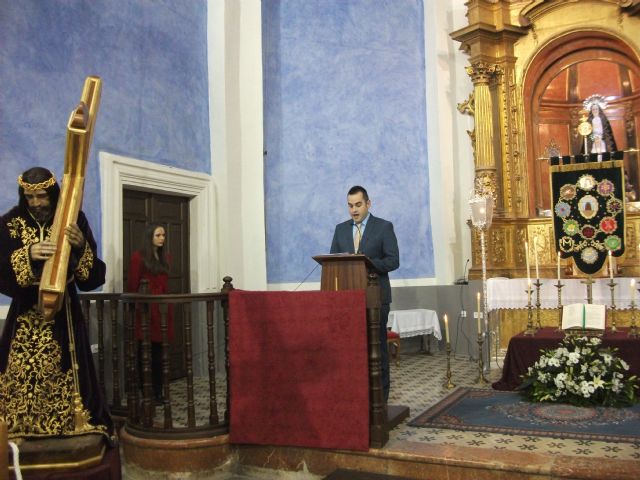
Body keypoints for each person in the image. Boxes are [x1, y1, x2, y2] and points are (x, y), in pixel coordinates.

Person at [0, 167, 114, 443]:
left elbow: (94, 277)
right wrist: (27, 254)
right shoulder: (10, 222)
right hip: (25, 314)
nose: (36, 203)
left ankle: (68, 424)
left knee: (65, 369)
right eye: (30, 197)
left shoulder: (74, 219)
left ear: (52, 193)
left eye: (41, 196)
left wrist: (80, 248)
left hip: (64, 316)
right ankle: (19, 424)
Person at [330, 185, 399, 401]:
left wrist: (368, 264)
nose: (354, 210)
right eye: (350, 206)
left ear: (368, 204)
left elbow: (393, 261)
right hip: (349, 300)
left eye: (358, 205)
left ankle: (381, 400)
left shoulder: (384, 227)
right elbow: (334, 261)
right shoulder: (340, 229)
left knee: (377, 350)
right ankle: (357, 398)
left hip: (376, 299)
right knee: (352, 351)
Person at [127, 222, 174, 403]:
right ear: (150, 237)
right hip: (147, 309)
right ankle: (147, 390)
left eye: (163, 235)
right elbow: (133, 283)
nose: (162, 238)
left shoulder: (166, 257)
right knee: (147, 351)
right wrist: (137, 307)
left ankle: (158, 390)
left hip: (162, 307)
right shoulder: (138, 257)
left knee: (161, 352)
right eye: (158, 235)